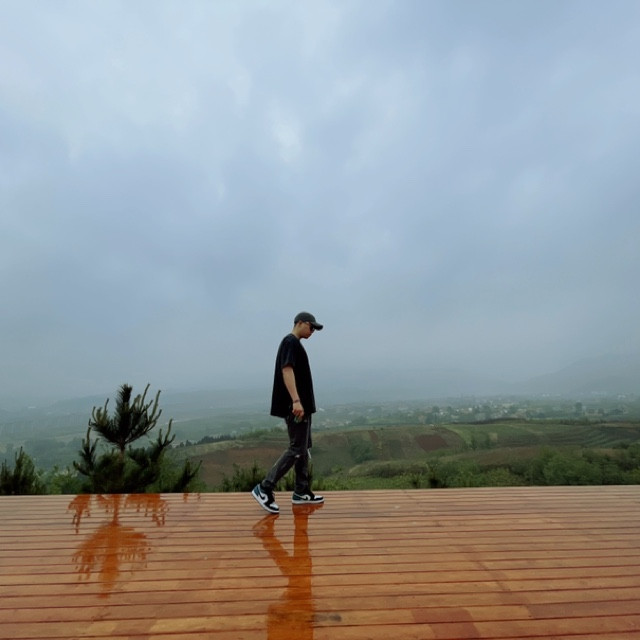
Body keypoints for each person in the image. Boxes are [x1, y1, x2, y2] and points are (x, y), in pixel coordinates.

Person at [252, 312, 325, 514]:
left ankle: (301, 491)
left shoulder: (295, 343)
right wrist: (296, 401)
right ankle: (264, 488)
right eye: (311, 327)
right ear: (300, 323)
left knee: (302, 447)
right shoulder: (290, 342)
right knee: (296, 449)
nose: (313, 331)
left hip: (302, 407)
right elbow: (287, 370)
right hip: (296, 407)